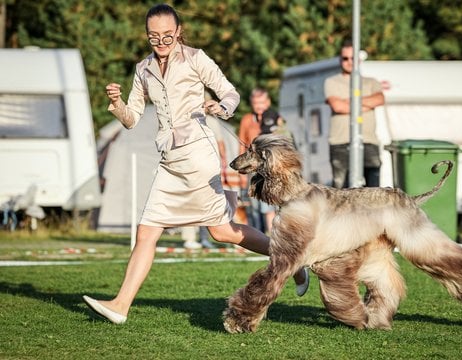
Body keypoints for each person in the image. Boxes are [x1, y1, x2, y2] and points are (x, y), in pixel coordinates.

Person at [83, 4, 308, 325]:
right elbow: (131, 120)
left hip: (198, 158)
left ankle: (291, 259)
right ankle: (120, 306)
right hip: (169, 162)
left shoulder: (195, 58)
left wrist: (221, 107)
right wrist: (117, 103)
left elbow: (230, 93)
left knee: (219, 230)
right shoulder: (142, 69)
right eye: (153, 37)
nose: (160, 42)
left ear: (178, 32)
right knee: (170, 231)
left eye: (166, 36)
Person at [324, 40, 385, 188]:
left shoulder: (371, 82)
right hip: (340, 143)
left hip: (368, 142)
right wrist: (365, 105)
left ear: (359, 60)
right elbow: (337, 106)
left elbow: (379, 99)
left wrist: (348, 102)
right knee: (341, 192)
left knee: (374, 192)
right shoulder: (331, 82)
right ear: (340, 60)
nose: (349, 62)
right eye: (345, 58)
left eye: (353, 58)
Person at [238, 88, 280, 233]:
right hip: (252, 167)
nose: (259, 106)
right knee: (254, 205)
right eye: (256, 103)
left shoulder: (275, 118)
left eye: (262, 102)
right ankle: (256, 233)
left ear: (267, 102)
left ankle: (271, 234)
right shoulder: (247, 120)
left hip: (269, 168)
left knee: (269, 205)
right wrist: (241, 170)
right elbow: (242, 144)